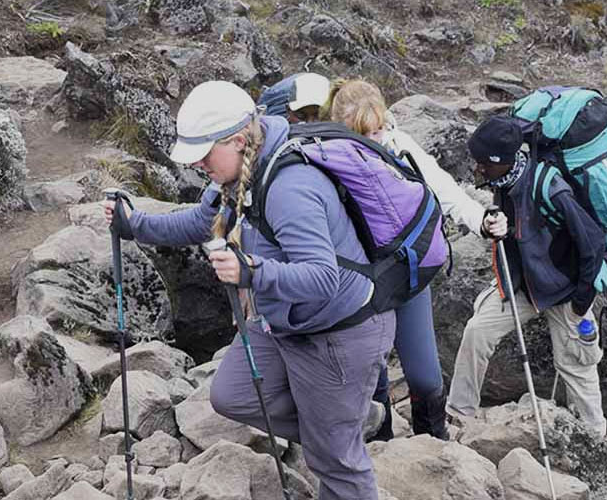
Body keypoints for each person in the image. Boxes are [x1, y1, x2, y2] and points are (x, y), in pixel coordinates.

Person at [107, 80, 396, 499]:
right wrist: (134, 224)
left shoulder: (290, 187)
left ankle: (339, 433)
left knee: (336, 465)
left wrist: (253, 271)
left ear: (239, 140)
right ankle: (345, 422)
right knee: (233, 395)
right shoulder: (240, 175)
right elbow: (198, 223)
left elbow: (322, 277)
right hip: (286, 322)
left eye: (204, 155)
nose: (198, 165)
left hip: (339, 332)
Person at [326, 80, 485, 440]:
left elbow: (444, 190)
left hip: (407, 272)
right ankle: (380, 454)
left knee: (426, 376)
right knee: (373, 372)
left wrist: (481, 222)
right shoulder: (328, 158)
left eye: (380, 128)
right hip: (361, 282)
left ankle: (434, 448)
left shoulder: (400, 145)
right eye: (365, 133)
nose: (377, 138)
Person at [447, 114, 607, 436]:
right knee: (477, 331)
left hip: (565, 292)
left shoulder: (551, 188)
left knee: (576, 364)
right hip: (523, 286)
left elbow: (593, 244)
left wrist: (581, 302)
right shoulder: (503, 181)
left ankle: (595, 435)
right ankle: (459, 414)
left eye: (483, 163)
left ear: (503, 160)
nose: (478, 169)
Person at [257, 72, 332, 123]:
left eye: (317, 115)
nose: (309, 123)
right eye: (301, 116)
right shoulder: (273, 118)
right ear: (288, 110)